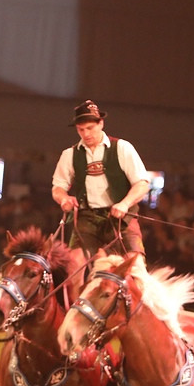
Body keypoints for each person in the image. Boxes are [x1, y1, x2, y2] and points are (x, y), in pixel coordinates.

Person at [51, 99, 150, 299]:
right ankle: (76, 311)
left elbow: (142, 183)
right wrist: (64, 199)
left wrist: (125, 203)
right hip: (87, 218)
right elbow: (58, 187)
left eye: (90, 128)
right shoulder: (70, 154)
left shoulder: (122, 148)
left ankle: (144, 313)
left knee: (136, 266)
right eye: (81, 130)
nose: (86, 134)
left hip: (121, 218)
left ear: (100, 124)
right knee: (74, 266)